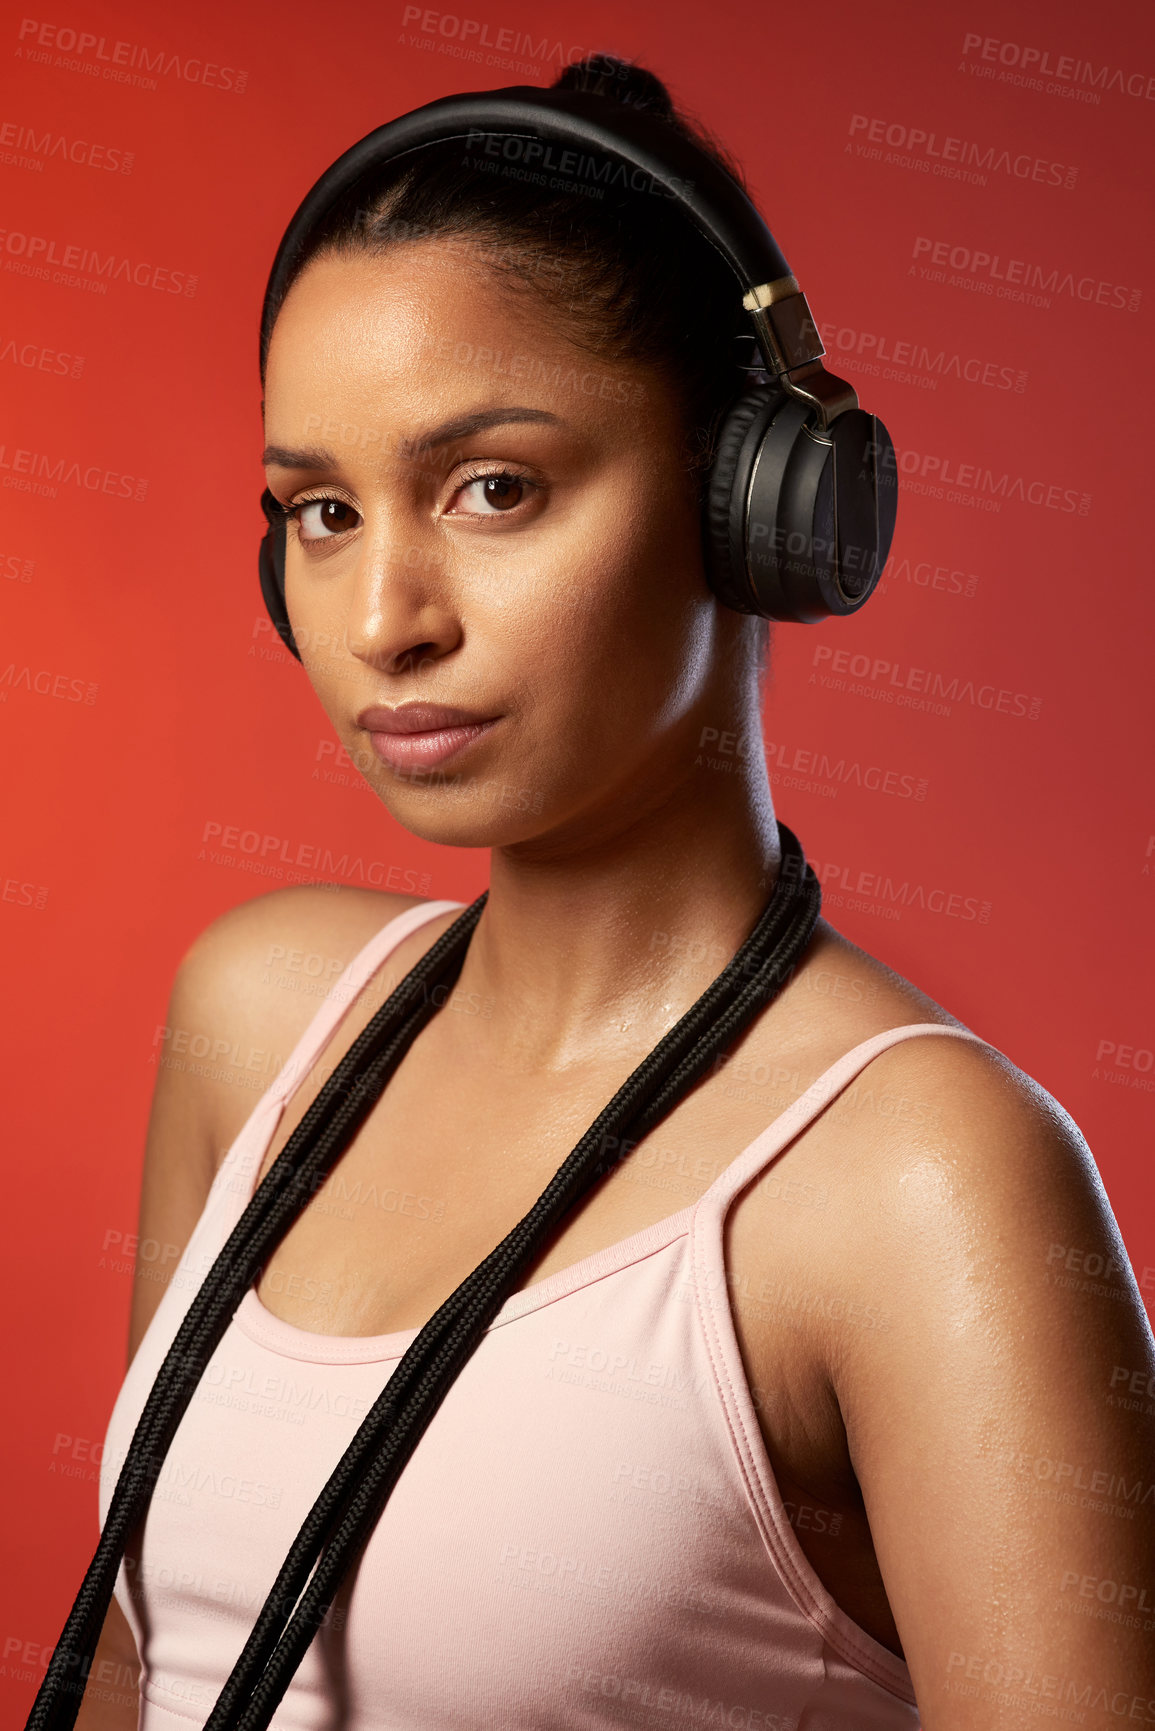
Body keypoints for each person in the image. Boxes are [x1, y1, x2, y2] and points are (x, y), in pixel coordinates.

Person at [76, 53, 1154, 1731]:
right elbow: (144, 1671)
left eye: (492, 487)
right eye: (322, 511)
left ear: (759, 507)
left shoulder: (924, 1182)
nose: (383, 618)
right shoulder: (263, 1012)